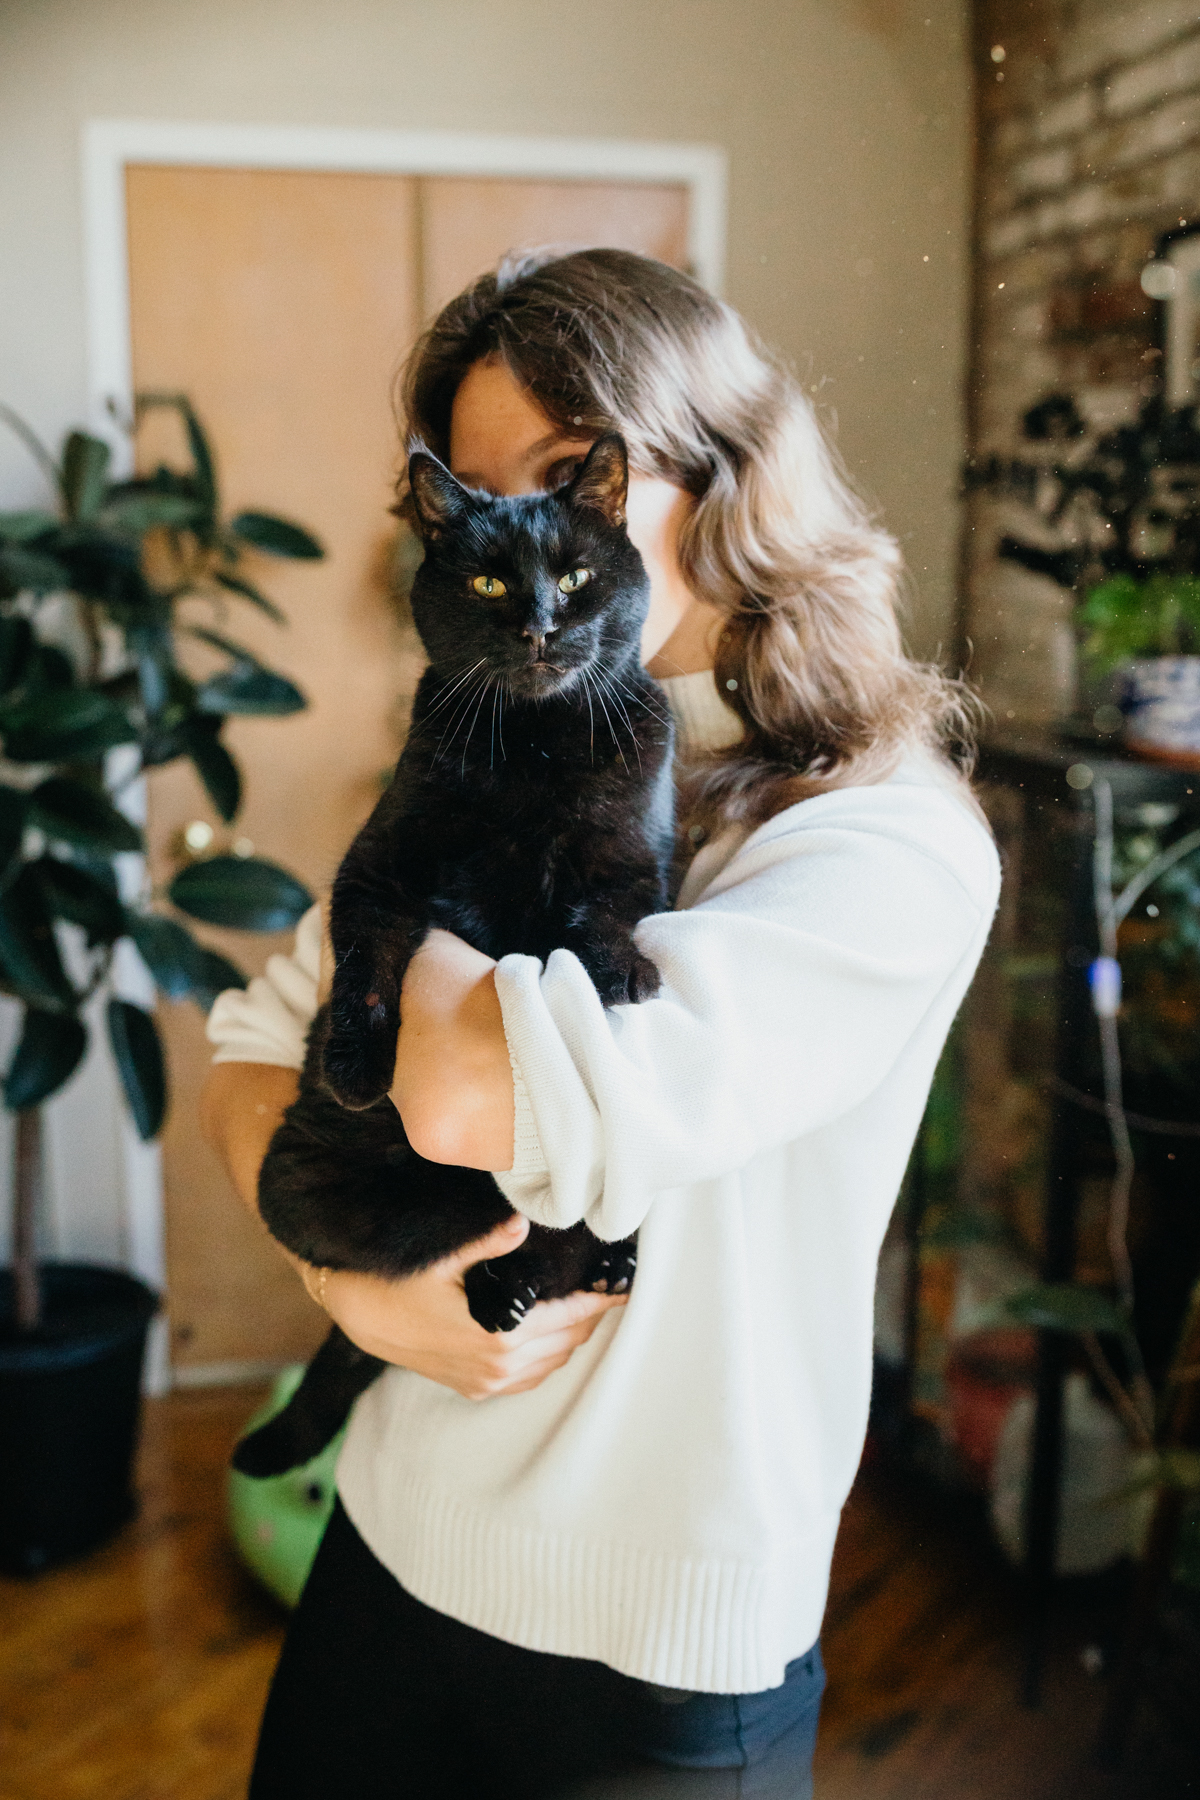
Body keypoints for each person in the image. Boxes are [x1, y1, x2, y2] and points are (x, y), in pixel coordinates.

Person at [202, 248, 1000, 1798]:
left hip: (649, 1648)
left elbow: (464, 1098)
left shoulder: (883, 838)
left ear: (721, 470)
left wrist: (406, 934)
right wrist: (344, 1289)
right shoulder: (500, 751)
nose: (540, 539)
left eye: (581, 477)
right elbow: (250, 1045)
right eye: (490, 502)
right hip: (389, 1529)